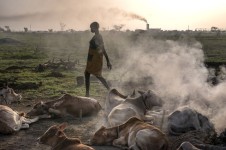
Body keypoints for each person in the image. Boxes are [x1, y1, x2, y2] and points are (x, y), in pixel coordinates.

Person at [84, 21, 112, 97]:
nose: (90, 29)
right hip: (92, 58)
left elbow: (103, 49)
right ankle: (87, 94)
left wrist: (108, 61)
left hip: (96, 59)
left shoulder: (99, 37)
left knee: (97, 75)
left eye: (91, 28)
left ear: (95, 28)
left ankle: (110, 90)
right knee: (88, 74)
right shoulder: (96, 36)